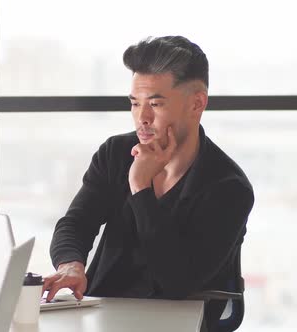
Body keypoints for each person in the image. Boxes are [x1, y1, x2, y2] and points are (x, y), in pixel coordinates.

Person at [43, 36, 254, 331]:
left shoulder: (228, 188)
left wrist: (140, 188)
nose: (142, 117)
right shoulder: (115, 154)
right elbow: (76, 223)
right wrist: (71, 265)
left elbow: (177, 283)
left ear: (196, 104)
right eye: (134, 103)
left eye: (155, 103)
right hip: (103, 313)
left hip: (178, 321)